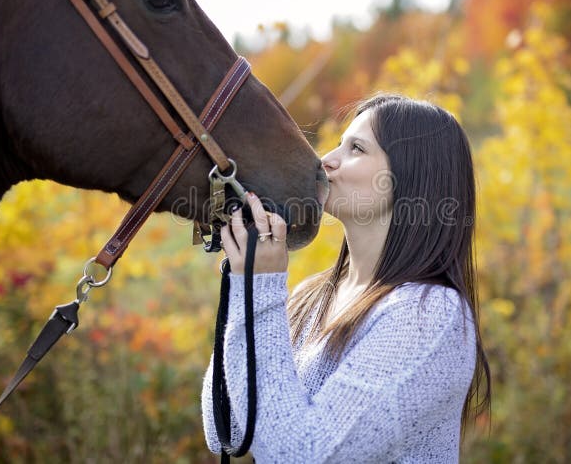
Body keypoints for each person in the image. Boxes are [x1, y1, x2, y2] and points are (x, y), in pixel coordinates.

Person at [201, 93, 491, 463]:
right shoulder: (311, 296)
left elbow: (306, 456)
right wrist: (244, 284)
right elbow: (224, 429)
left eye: (355, 148)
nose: (327, 160)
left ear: (409, 176)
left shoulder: (429, 314)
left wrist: (259, 290)